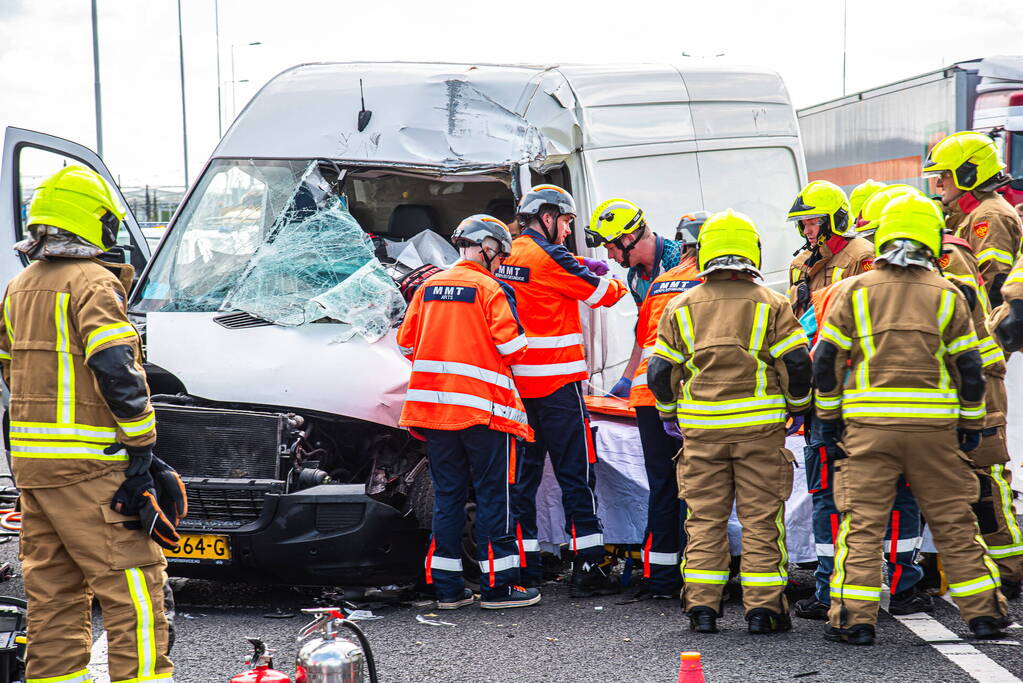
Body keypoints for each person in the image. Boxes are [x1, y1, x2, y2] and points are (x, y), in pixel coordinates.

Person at [0, 166, 176, 680]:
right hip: (90, 466)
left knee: (52, 594)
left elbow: (12, 367)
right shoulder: (93, 282)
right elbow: (115, 367)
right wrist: (142, 446)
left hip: (33, 469)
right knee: (135, 591)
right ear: (91, 221)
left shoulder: (20, 285)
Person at [815, 192, 1009, 645]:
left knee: (862, 525)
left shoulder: (854, 291)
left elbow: (826, 361)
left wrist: (830, 417)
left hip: (868, 430)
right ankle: (983, 616)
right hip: (934, 432)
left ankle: (853, 620)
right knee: (954, 522)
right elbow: (969, 371)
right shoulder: (948, 293)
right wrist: (970, 425)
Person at [648, 209, 812, 635]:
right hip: (760, 432)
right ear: (751, 251)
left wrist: (670, 414)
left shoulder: (681, 306)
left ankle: (701, 609)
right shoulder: (772, 303)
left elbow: (659, 373)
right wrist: (797, 406)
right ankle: (764, 611)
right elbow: (796, 361)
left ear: (707, 253)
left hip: (702, 434)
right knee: (761, 520)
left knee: (704, 520)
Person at [397, 214, 540, 610]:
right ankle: (500, 587)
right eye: (500, 253)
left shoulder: (427, 287)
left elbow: (406, 345)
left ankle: (447, 590)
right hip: (484, 415)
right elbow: (513, 350)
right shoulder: (488, 288)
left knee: (448, 497)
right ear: (488, 247)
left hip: (434, 415)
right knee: (496, 496)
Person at [498, 185, 628, 596]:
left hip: (518, 388)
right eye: (568, 221)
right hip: (557, 383)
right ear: (548, 217)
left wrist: (576, 262)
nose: (569, 230)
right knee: (575, 474)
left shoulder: (507, 253)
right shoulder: (550, 256)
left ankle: (526, 566)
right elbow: (606, 295)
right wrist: (605, 272)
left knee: (523, 479)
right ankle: (588, 568)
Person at [587, 204, 706, 598]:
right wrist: (624, 378)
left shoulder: (669, 270)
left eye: (609, 245)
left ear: (629, 237)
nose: (607, 255)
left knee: (664, 485)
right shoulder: (651, 278)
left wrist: (634, 382)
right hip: (677, 390)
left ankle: (662, 576)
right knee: (694, 486)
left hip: (653, 391)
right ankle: (696, 574)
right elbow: (646, 332)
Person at [939, 226, 1022, 600]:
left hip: (979, 383)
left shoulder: (946, 258)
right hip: (963, 379)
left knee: (985, 481)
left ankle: (1010, 569)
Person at [924, 131, 1023, 308]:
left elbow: (994, 283)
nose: (939, 184)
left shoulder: (989, 216)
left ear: (967, 173)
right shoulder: (970, 213)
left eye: (944, 175)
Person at [787, 180, 875, 318]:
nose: (806, 231)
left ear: (835, 220)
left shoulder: (861, 256)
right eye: (803, 224)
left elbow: (868, 314)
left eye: (812, 223)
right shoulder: (798, 265)